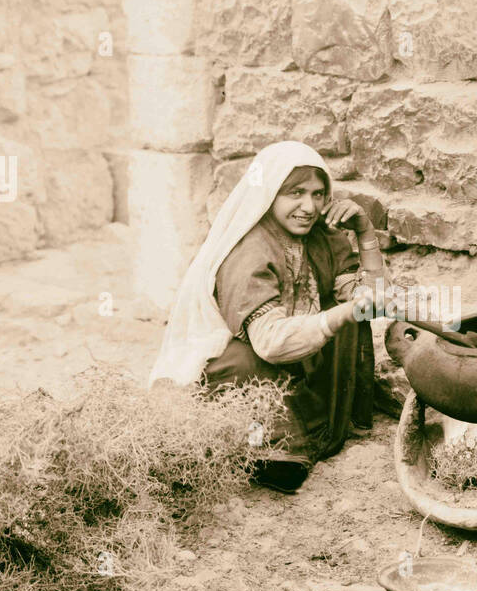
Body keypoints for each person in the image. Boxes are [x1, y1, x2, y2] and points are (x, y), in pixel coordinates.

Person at [148, 140, 389, 492]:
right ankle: (264, 450)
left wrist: (365, 232)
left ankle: (312, 426)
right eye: (295, 193)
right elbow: (271, 344)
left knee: (355, 323)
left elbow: (376, 300)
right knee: (248, 361)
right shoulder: (248, 252)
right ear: (270, 194)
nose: (309, 207)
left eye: (318, 194)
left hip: (296, 362)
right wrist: (339, 315)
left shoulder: (324, 238)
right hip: (248, 367)